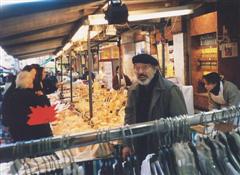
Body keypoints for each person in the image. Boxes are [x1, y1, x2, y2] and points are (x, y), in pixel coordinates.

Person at [123, 54, 187, 161]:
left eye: (145, 67)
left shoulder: (169, 90)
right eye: (137, 68)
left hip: (163, 148)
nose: (140, 72)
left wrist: (179, 151)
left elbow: (181, 123)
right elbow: (129, 117)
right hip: (139, 146)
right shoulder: (133, 90)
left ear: (155, 69)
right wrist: (126, 143)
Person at [3, 69, 53, 142]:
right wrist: (43, 97)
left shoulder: (10, 96)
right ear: (29, 83)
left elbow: (6, 120)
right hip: (38, 137)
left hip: (19, 137)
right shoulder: (33, 96)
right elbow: (48, 114)